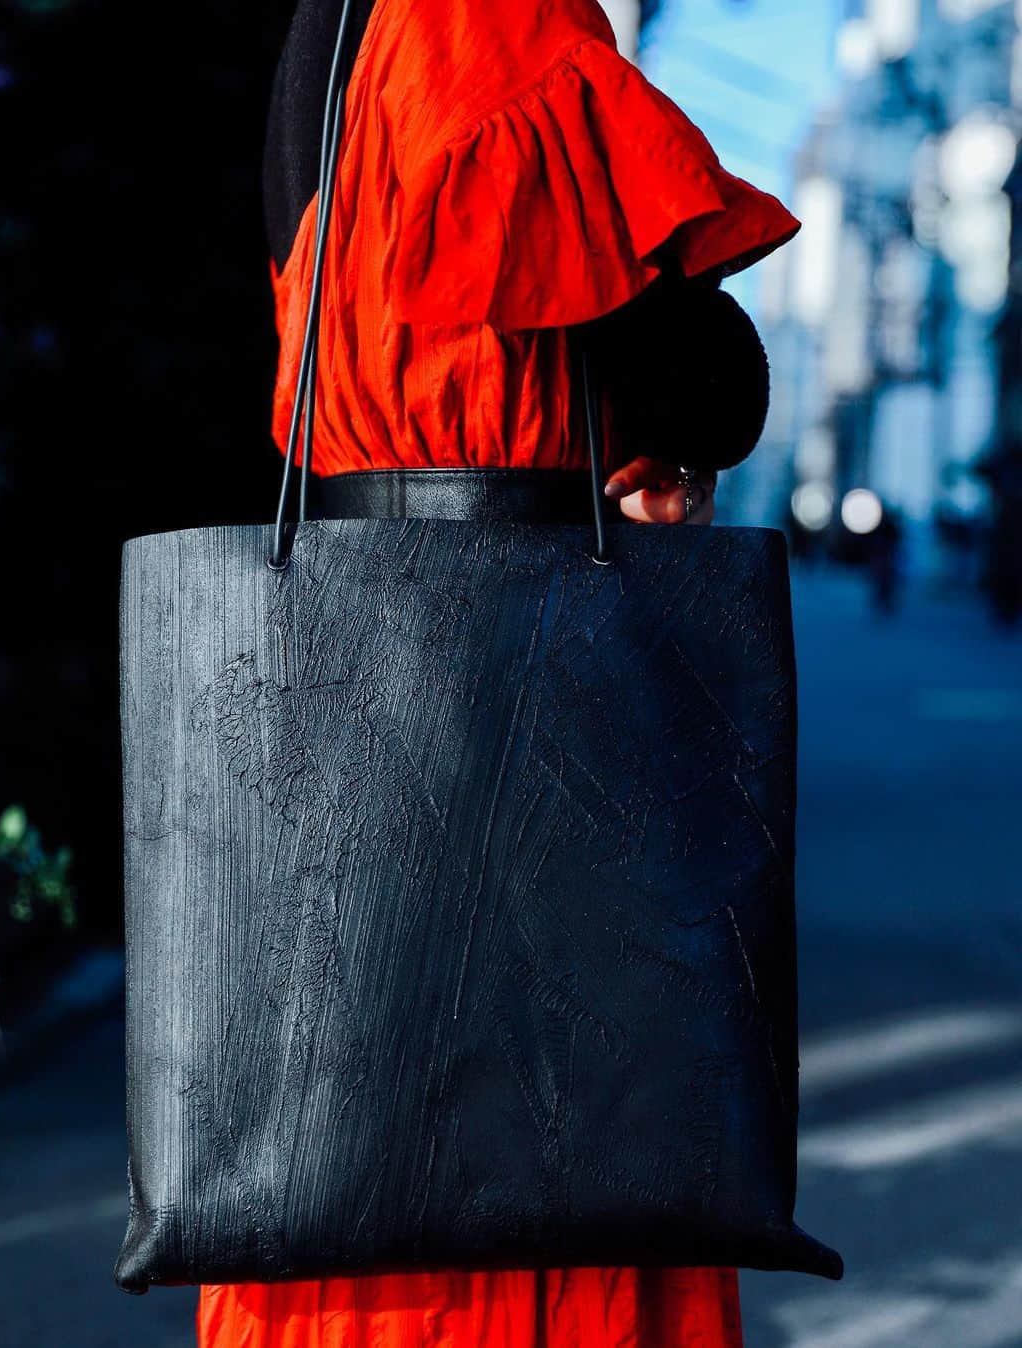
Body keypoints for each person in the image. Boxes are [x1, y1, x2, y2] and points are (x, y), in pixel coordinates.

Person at [198, 0, 801, 1344]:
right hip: (527, 718)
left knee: (339, 1162)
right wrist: (671, 453)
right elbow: (687, 383)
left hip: (356, 713)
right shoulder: (496, 21)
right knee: (555, 1170)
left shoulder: (333, 32)